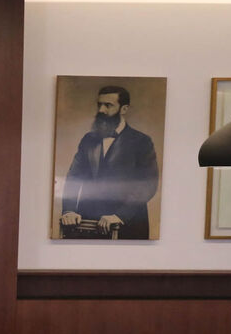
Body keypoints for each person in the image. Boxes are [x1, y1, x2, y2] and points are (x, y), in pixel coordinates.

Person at [59, 85, 159, 239]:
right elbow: (74, 177)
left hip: (127, 225)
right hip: (87, 223)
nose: (101, 110)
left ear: (124, 109)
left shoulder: (142, 141)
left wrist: (119, 216)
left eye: (108, 105)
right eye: (99, 104)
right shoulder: (88, 139)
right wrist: (69, 210)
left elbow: (147, 185)